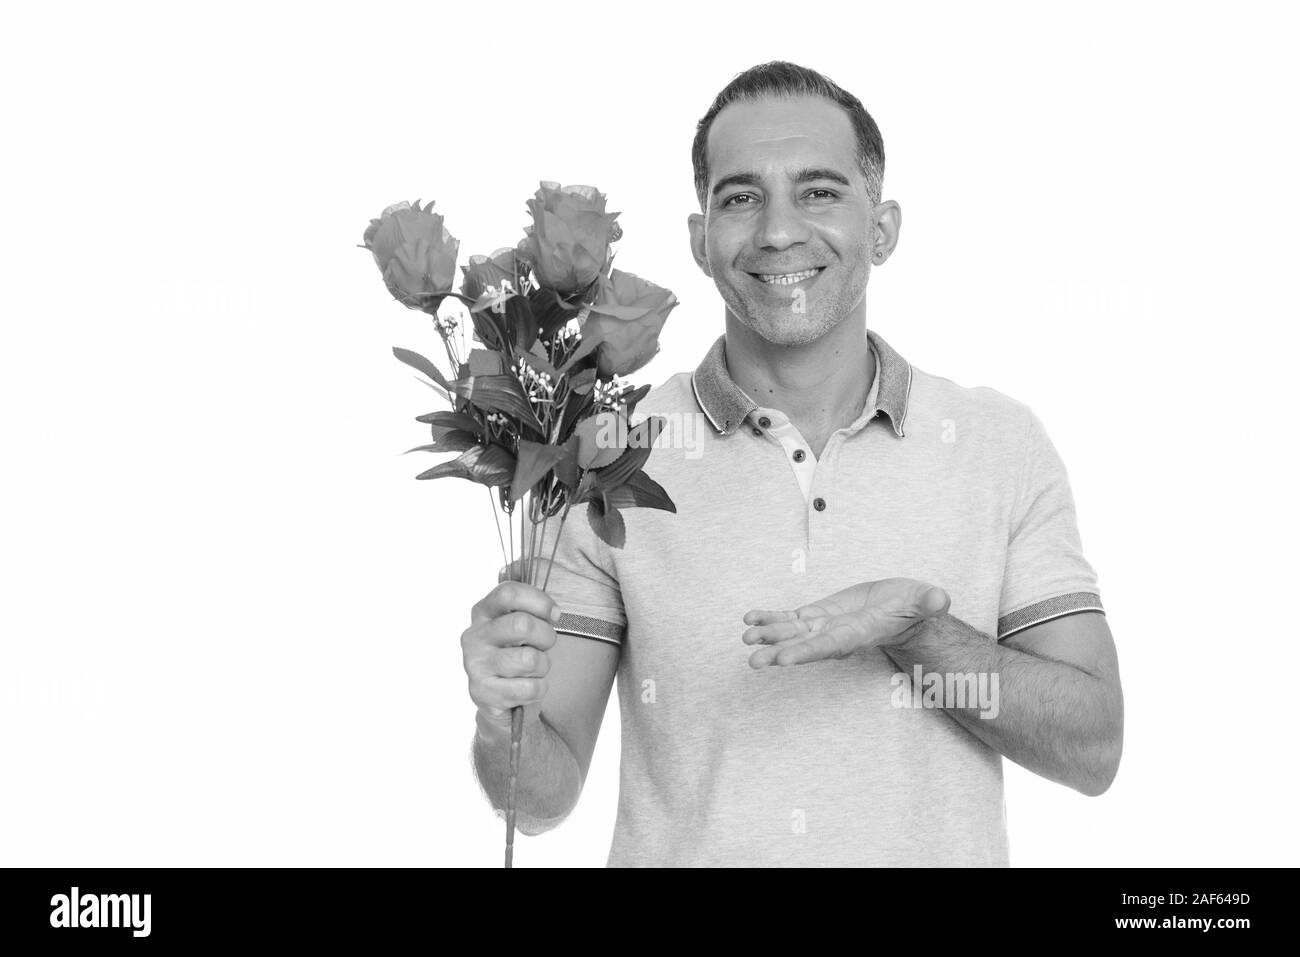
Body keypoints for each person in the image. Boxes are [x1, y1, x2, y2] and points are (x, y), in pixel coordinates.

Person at [462, 60, 1123, 867]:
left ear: (881, 228)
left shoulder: (996, 443)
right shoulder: (606, 448)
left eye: (819, 191)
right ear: (701, 241)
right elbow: (540, 798)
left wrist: (919, 636)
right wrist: (502, 713)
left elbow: (1093, 747)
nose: (778, 230)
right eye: (741, 197)